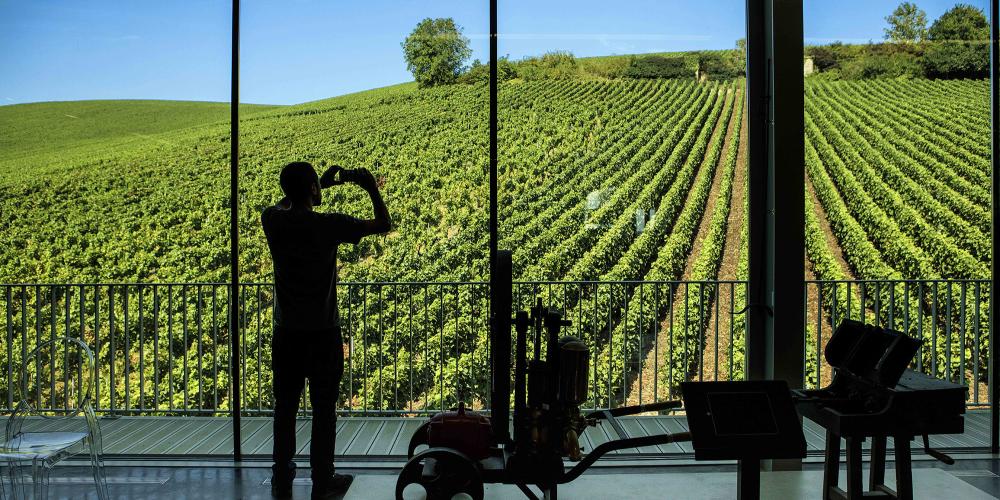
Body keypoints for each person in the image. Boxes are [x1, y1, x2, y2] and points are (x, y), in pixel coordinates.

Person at [261, 161, 391, 499]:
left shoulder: (272, 221)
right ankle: (323, 477)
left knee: (285, 406)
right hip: (322, 332)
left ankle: (281, 473)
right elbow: (383, 223)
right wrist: (369, 187)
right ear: (313, 190)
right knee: (323, 409)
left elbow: (283, 203)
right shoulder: (330, 225)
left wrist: (314, 188)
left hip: (286, 332)